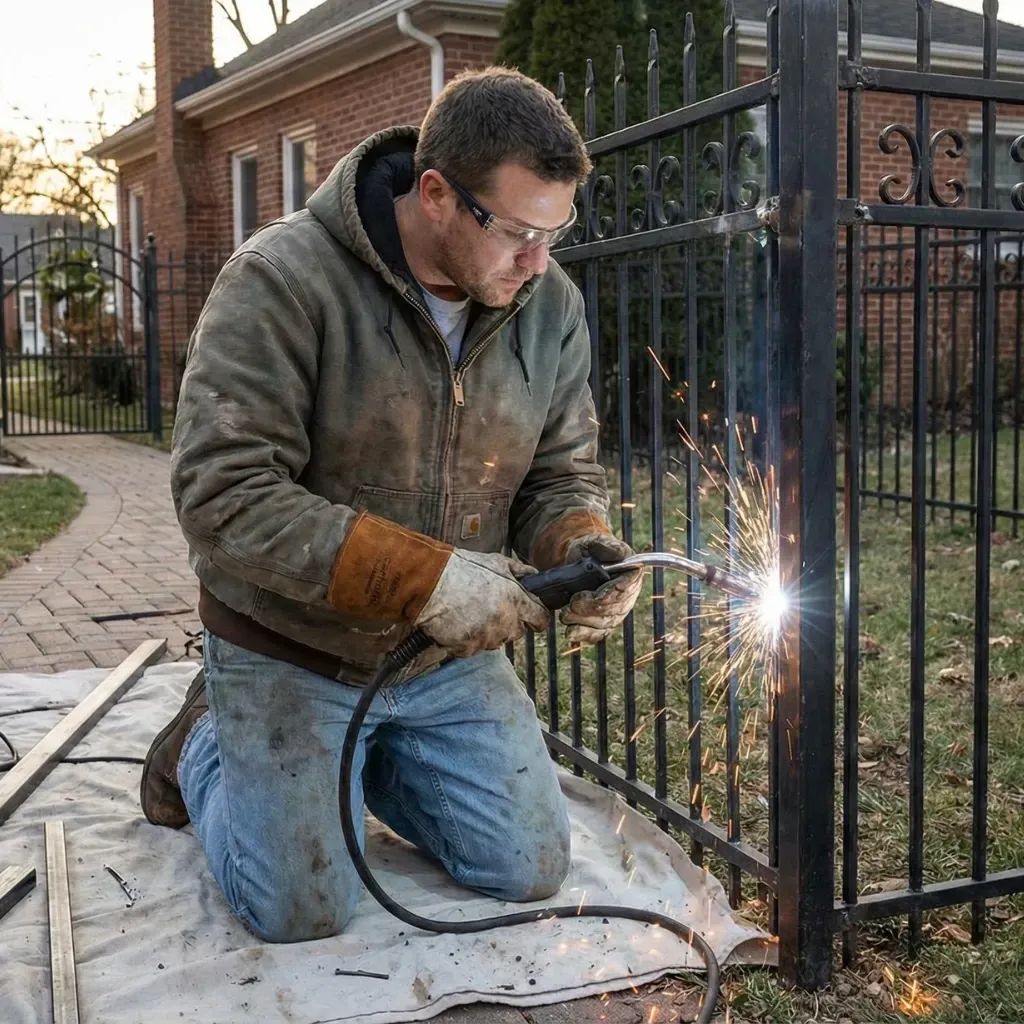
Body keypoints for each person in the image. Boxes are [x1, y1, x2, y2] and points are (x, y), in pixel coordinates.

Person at [141, 66, 643, 943]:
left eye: (556, 232)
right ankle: (203, 746)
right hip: (291, 644)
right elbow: (222, 495)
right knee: (303, 910)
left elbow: (559, 469)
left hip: (438, 660)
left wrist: (581, 538)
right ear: (438, 193)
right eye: (520, 231)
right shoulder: (283, 280)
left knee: (526, 868)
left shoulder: (548, 305)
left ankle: (361, 760)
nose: (540, 261)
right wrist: (424, 578)